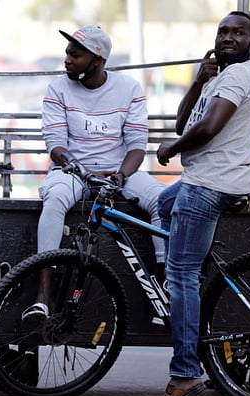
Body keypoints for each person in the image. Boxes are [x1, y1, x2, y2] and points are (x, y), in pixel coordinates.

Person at [154, 11, 250, 396]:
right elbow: (185, 120)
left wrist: (171, 149)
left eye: (239, 32)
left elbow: (210, 127)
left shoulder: (239, 76)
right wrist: (199, 78)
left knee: (179, 277)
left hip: (209, 185)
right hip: (208, 179)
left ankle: (184, 373)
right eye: (223, 31)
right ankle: (190, 279)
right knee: (163, 204)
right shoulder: (218, 77)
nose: (229, 37)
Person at [24, 25, 166, 322]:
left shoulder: (129, 89)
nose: (66, 59)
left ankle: (166, 286)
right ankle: (44, 299)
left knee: (161, 200)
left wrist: (120, 176)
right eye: (67, 52)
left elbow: (138, 146)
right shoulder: (58, 89)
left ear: (97, 61)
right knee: (55, 200)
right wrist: (82, 170)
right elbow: (55, 144)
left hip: (118, 170)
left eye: (75, 55)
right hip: (73, 171)